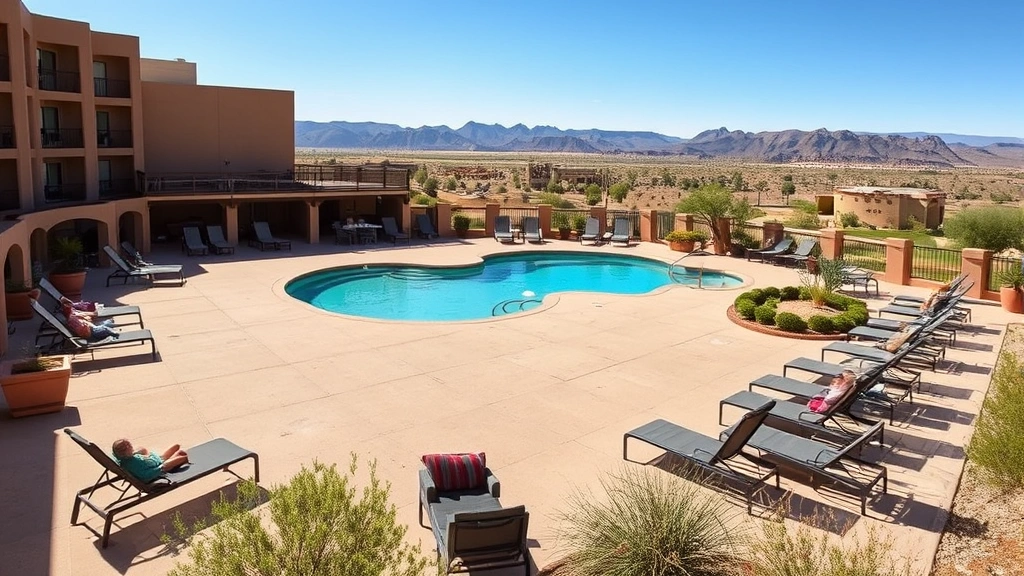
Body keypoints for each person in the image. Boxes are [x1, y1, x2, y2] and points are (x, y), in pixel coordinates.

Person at [111, 438, 189, 482]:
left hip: (157, 461)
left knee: (176, 446)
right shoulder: (131, 464)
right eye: (127, 447)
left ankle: (177, 460)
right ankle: (180, 461)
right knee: (182, 455)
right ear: (124, 452)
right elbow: (145, 475)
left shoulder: (129, 457)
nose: (130, 446)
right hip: (159, 469)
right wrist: (160, 468)